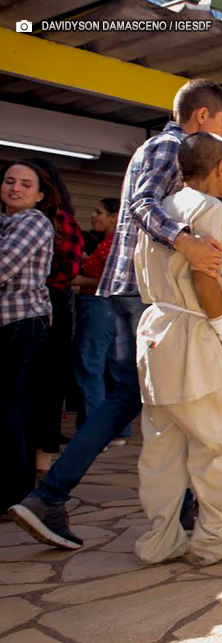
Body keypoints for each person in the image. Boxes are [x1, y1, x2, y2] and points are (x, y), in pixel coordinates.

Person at [9, 79, 222, 549]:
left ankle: (186, 507)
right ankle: (49, 496)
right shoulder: (169, 146)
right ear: (202, 116)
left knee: (153, 401)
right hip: (147, 294)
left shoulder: (166, 147)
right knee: (147, 399)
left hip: (143, 295)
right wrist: (184, 240)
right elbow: (141, 203)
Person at [134, 133, 222, 565]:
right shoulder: (212, 210)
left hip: (154, 331)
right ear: (221, 167)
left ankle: (160, 538)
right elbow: (206, 277)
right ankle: (213, 535)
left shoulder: (160, 212)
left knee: (163, 444)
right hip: (192, 332)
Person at [0, 162, 57, 514]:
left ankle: (12, 491)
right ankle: (18, 489)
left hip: (20, 323)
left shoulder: (33, 222)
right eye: (9, 181)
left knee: (7, 406)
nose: (15, 188)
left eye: (25, 184)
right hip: (12, 323)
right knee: (14, 405)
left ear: (40, 195)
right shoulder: (7, 222)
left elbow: (3, 267)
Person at [25, 158, 83, 472]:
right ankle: (41, 457)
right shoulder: (66, 222)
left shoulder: (58, 221)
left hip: (48, 303)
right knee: (46, 385)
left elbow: (72, 270)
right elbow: (73, 269)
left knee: (42, 383)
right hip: (55, 301)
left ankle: (40, 455)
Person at [70, 198, 130, 442]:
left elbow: (111, 281)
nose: (94, 216)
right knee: (112, 367)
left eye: (99, 212)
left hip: (99, 306)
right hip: (113, 309)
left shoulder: (112, 244)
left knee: (90, 367)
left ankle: (93, 432)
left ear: (115, 216)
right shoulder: (114, 243)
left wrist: (77, 279)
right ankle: (117, 429)